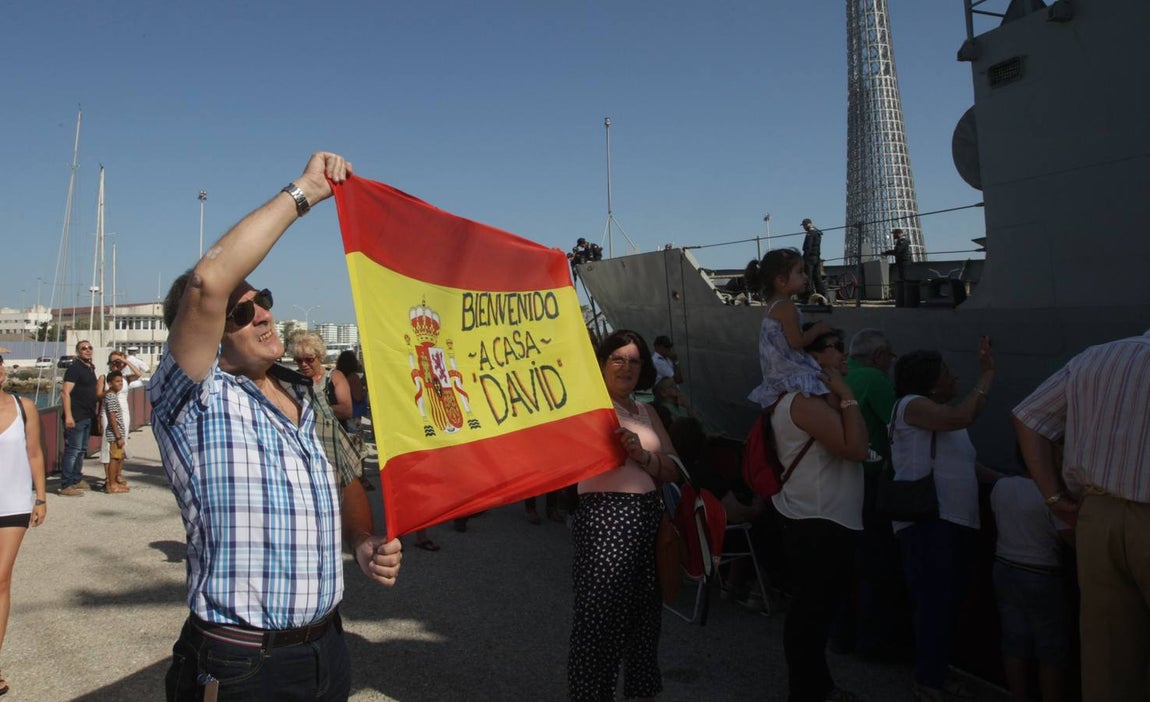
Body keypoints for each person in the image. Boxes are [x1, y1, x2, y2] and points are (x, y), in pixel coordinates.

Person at [149, 152, 402, 701]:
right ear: (209, 336)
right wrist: (306, 191)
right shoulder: (196, 400)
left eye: (261, 300)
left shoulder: (300, 395)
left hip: (326, 647)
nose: (262, 314)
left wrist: (359, 543)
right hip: (242, 661)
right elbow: (208, 282)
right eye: (240, 314)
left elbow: (332, 493)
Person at [1012, 328, 1150, 701]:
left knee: (1108, 660)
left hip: (1096, 517)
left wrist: (1054, 498)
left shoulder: (1096, 357)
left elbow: (1028, 417)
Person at [568, 329, 679, 701]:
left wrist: (645, 457)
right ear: (601, 363)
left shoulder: (645, 411)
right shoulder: (587, 408)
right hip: (605, 521)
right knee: (598, 624)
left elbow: (675, 466)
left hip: (647, 519)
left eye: (634, 360)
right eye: (617, 358)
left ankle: (638, 693)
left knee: (645, 622)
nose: (626, 366)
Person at [889, 340, 996, 702]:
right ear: (932, 382)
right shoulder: (911, 406)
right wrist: (988, 375)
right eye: (948, 373)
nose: (955, 378)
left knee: (948, 603)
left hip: (953, 520)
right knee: (934, 602)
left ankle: (937, 671)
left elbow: (968, 465)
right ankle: (928, 679)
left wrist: (1013, 481)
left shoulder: (936, 413)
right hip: (929, 521)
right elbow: (962, 416)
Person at [770, 327, 869, 702]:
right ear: (811, 356)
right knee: (811, 613)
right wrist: (848, 398)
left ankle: (816, 685)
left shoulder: (807, 398)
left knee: (815, 611)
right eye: (835, 348)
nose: (844, 354)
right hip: (816, 519)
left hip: (822, 516)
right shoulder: (803, 402)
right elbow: (856, 447)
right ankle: (807, 690)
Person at [842, 328, 904, 660]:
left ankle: (842, 635)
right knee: (875, 563)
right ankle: (873, 642)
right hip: (869, 482)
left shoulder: (842, 375)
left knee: (848, 563)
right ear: (879, 356)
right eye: (890, 356)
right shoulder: (876, 380)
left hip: (839, 481)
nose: (892, 363)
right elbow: (901, 425)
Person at [988, 472, 1073, 702]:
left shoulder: (1002, 486)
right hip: (1041, 572)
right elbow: (1069, 536)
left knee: (1014, 642)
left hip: (1004, 566)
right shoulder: (1051, 495)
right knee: (1050, 649)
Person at [0, 355, 47, 697]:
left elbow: (34, 453)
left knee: (0, 579)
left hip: (14, 503)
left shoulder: (24, 405)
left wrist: (41, 497)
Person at [744, 248, 831, 410]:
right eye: (800, 272)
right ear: (781, 280)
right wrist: (817, 330)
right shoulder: (786, 306)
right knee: (830, 386)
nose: (806, 277)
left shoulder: (773, 305)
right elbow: (796, 341)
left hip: (775, 375)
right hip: (788, 372)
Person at [97, 350, 143, 487]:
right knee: (108, 442)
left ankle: (118, 474)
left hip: (124, 411)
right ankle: (108, 476)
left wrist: (126, 362)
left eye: (119, 362)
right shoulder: (104, 377)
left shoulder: (125, 378)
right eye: (113, 361)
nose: (116, 364)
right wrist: (110, 390)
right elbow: (98, 395)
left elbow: (139, 374)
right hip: (109, 409)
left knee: (123, 442)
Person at [59, 339, 98, 496]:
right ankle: (66, 484)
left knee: (81, 450)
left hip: (87, 415)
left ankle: (76, 479)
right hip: (76, 415)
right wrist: (68, 415)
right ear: (78, 351)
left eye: (89, 347)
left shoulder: (89, 368)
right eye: (83, 348)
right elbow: (65, 392)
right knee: (73, 450)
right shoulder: (74, 368)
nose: (87, 350)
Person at [102, 370, 129, 493]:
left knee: (118, 457)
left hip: (118, 433)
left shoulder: (113, 396)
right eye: (117, 381)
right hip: (115, 434)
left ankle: (114, 483)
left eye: (121, 382)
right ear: (110, 383)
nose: (120, 384)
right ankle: (112, 485)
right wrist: (118, 436)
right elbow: (112, 417)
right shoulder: (111, 397)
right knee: (114, 458)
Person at [335, 350, 367, 434]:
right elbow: (358, 397)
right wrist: (364, 392)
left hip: (341, 416)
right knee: (355, 443)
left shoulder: (337, 376)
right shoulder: (353, 377)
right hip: (353, 416)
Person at [800, 218, 828, 300]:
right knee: (817, 277)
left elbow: (808, 246)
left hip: (810, 258)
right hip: (816, 257)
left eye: (804, 225)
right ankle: (822, 295)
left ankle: (809, 297)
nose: (804, 227)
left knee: (808, 277)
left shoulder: (810, 233)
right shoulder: (817, 232)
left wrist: (804, 258)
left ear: (808, 224)